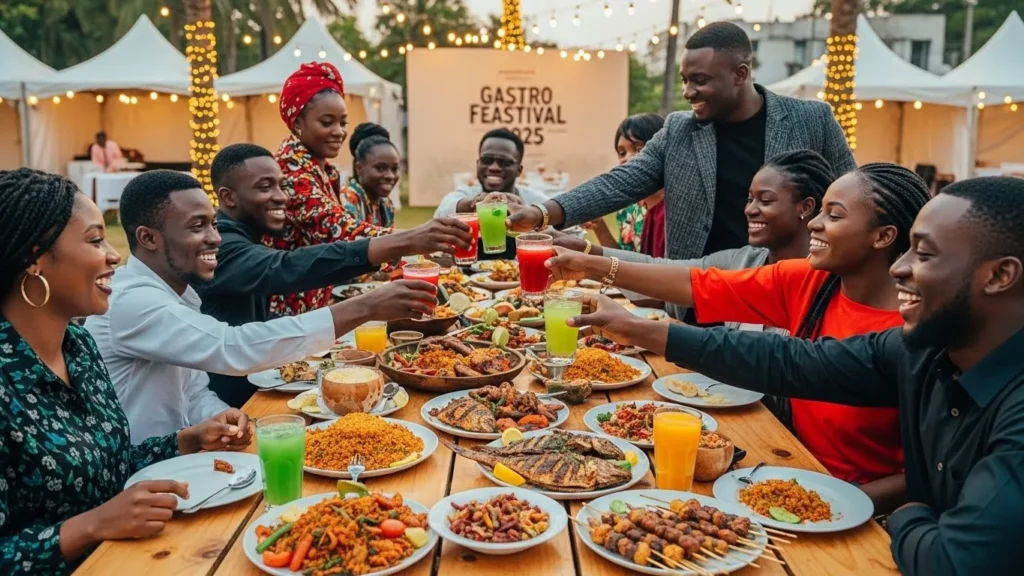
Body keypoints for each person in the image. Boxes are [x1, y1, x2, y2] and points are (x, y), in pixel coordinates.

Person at [565, 176, 1024, 576]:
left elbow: (951, 563)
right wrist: (644, 329)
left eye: (923, 254)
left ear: (1000, 275)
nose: (901, 268)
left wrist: (909, 512)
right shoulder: (923, 349)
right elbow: (790, 361)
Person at [547, 163, 931, 503]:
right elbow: (696, 283)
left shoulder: (917, 331)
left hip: (855, 504)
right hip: (780, 465)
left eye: (834, 215)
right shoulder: (813, 281)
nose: (814, 223)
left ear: (882, 237)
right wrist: (590, 264)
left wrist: (854, 501)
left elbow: (932, 472)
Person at [0, 168, 252, 575]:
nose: (115, 255)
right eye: (96, 240)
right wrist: (90, 526)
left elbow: (106, 467)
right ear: (35, 259)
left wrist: (184, 441)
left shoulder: (78, 347)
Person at [84, 171, 440, 440]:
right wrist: (365, 308)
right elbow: (232, 348)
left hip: (182, 464)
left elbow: (192, 391)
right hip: (140, 480)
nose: (215, 238)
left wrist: (224, 417)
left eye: (213, 224)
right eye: (198, 226)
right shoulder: (132, 300)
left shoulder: (175, 295)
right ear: (147, 237)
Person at [507, 22, 856, 265]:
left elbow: (853, 197)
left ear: (741, 74)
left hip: (788, 289)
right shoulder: (679, 129)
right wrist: (541, 213)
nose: (688, 92)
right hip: (698, 297)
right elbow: (621, 182)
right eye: (686, 80)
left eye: (700, 81)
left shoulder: (811, 119)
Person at [198, 144, 472, 406]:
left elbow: (261, 321)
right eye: (264, 187)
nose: (281, 196)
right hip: (226, 408)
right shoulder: (219, 246)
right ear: (228, 197)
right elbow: (284, 268)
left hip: (259, 390)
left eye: (281, 185)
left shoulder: (244, 238)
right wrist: (372, 300)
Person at [555, 148, 833, 322]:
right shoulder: (744, 260)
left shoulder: (826, 279)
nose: (750, 210)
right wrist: (587, 251)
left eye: (765, 200)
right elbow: (661, 269)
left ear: (806, 207)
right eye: (750, 199)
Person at [268, 62, 395, 317]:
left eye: (343, 122)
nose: (339, 132)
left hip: (312, 301)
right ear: (297, 123)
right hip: (286, 309)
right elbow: (339, 230)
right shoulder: (291, 170)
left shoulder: (319, 167)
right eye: (327, 122)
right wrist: (415, 241)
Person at [434, 128, 551, 259]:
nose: (494, 167)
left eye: (505, 162)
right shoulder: (466, 193)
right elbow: (442, 213)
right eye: (486, 160)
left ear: (519, 170)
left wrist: (534, 218)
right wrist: (478, 203)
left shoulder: (535, 201)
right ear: (478, 164)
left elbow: (565, 232)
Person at [584, 113, 666, 255]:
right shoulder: (629, 207)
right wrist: (599, 227)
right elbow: (624, 263)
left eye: (639, 149)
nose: (626, 159)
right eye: (622, 152)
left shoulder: (676, 210)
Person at [340, 123, 398, 227]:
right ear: (359, 167)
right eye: (380, 168)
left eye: (394, 168)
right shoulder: (348, 199)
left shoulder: (386, 203)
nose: (390, 176)